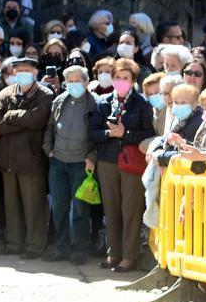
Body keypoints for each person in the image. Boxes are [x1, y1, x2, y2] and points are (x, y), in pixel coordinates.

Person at [87, 57, 155, 272]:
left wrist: (125, 133)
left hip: (131, 163)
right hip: (107, 160)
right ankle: (113, 253)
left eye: (126, 78)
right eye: (117, 77)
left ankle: (129, 255)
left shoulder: (141, 104)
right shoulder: (103, 102)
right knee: (111, 208)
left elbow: (148, 134)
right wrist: (109, 133)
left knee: (131, 209)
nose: (121, 81)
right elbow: (93, 132)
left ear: (133, 80)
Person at [0, 57, 53, 258]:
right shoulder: (5, 93)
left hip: (32, 156)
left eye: (27, 70)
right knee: (12, 203)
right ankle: (14, 242)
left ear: (35, 72)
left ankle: (35, 245)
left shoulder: (45, 94)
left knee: (33, 203)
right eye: (19, 70)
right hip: (8, 156)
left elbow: (38, 119)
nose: (23, 73)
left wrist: (12, 116)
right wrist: (21, 118)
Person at [43, 64, 96, 264]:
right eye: (70, 81)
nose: (74, 84)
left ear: (86, 82)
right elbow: (49, 127)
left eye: (78, 80)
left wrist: (92, 157)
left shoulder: (94, 104)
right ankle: (61, 246)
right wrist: (47, 147)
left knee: (81, 208)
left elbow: (97, 134)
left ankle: (81, 249)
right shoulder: (59, 101)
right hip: (58, 162)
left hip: (80, 164)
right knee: (59, 207)